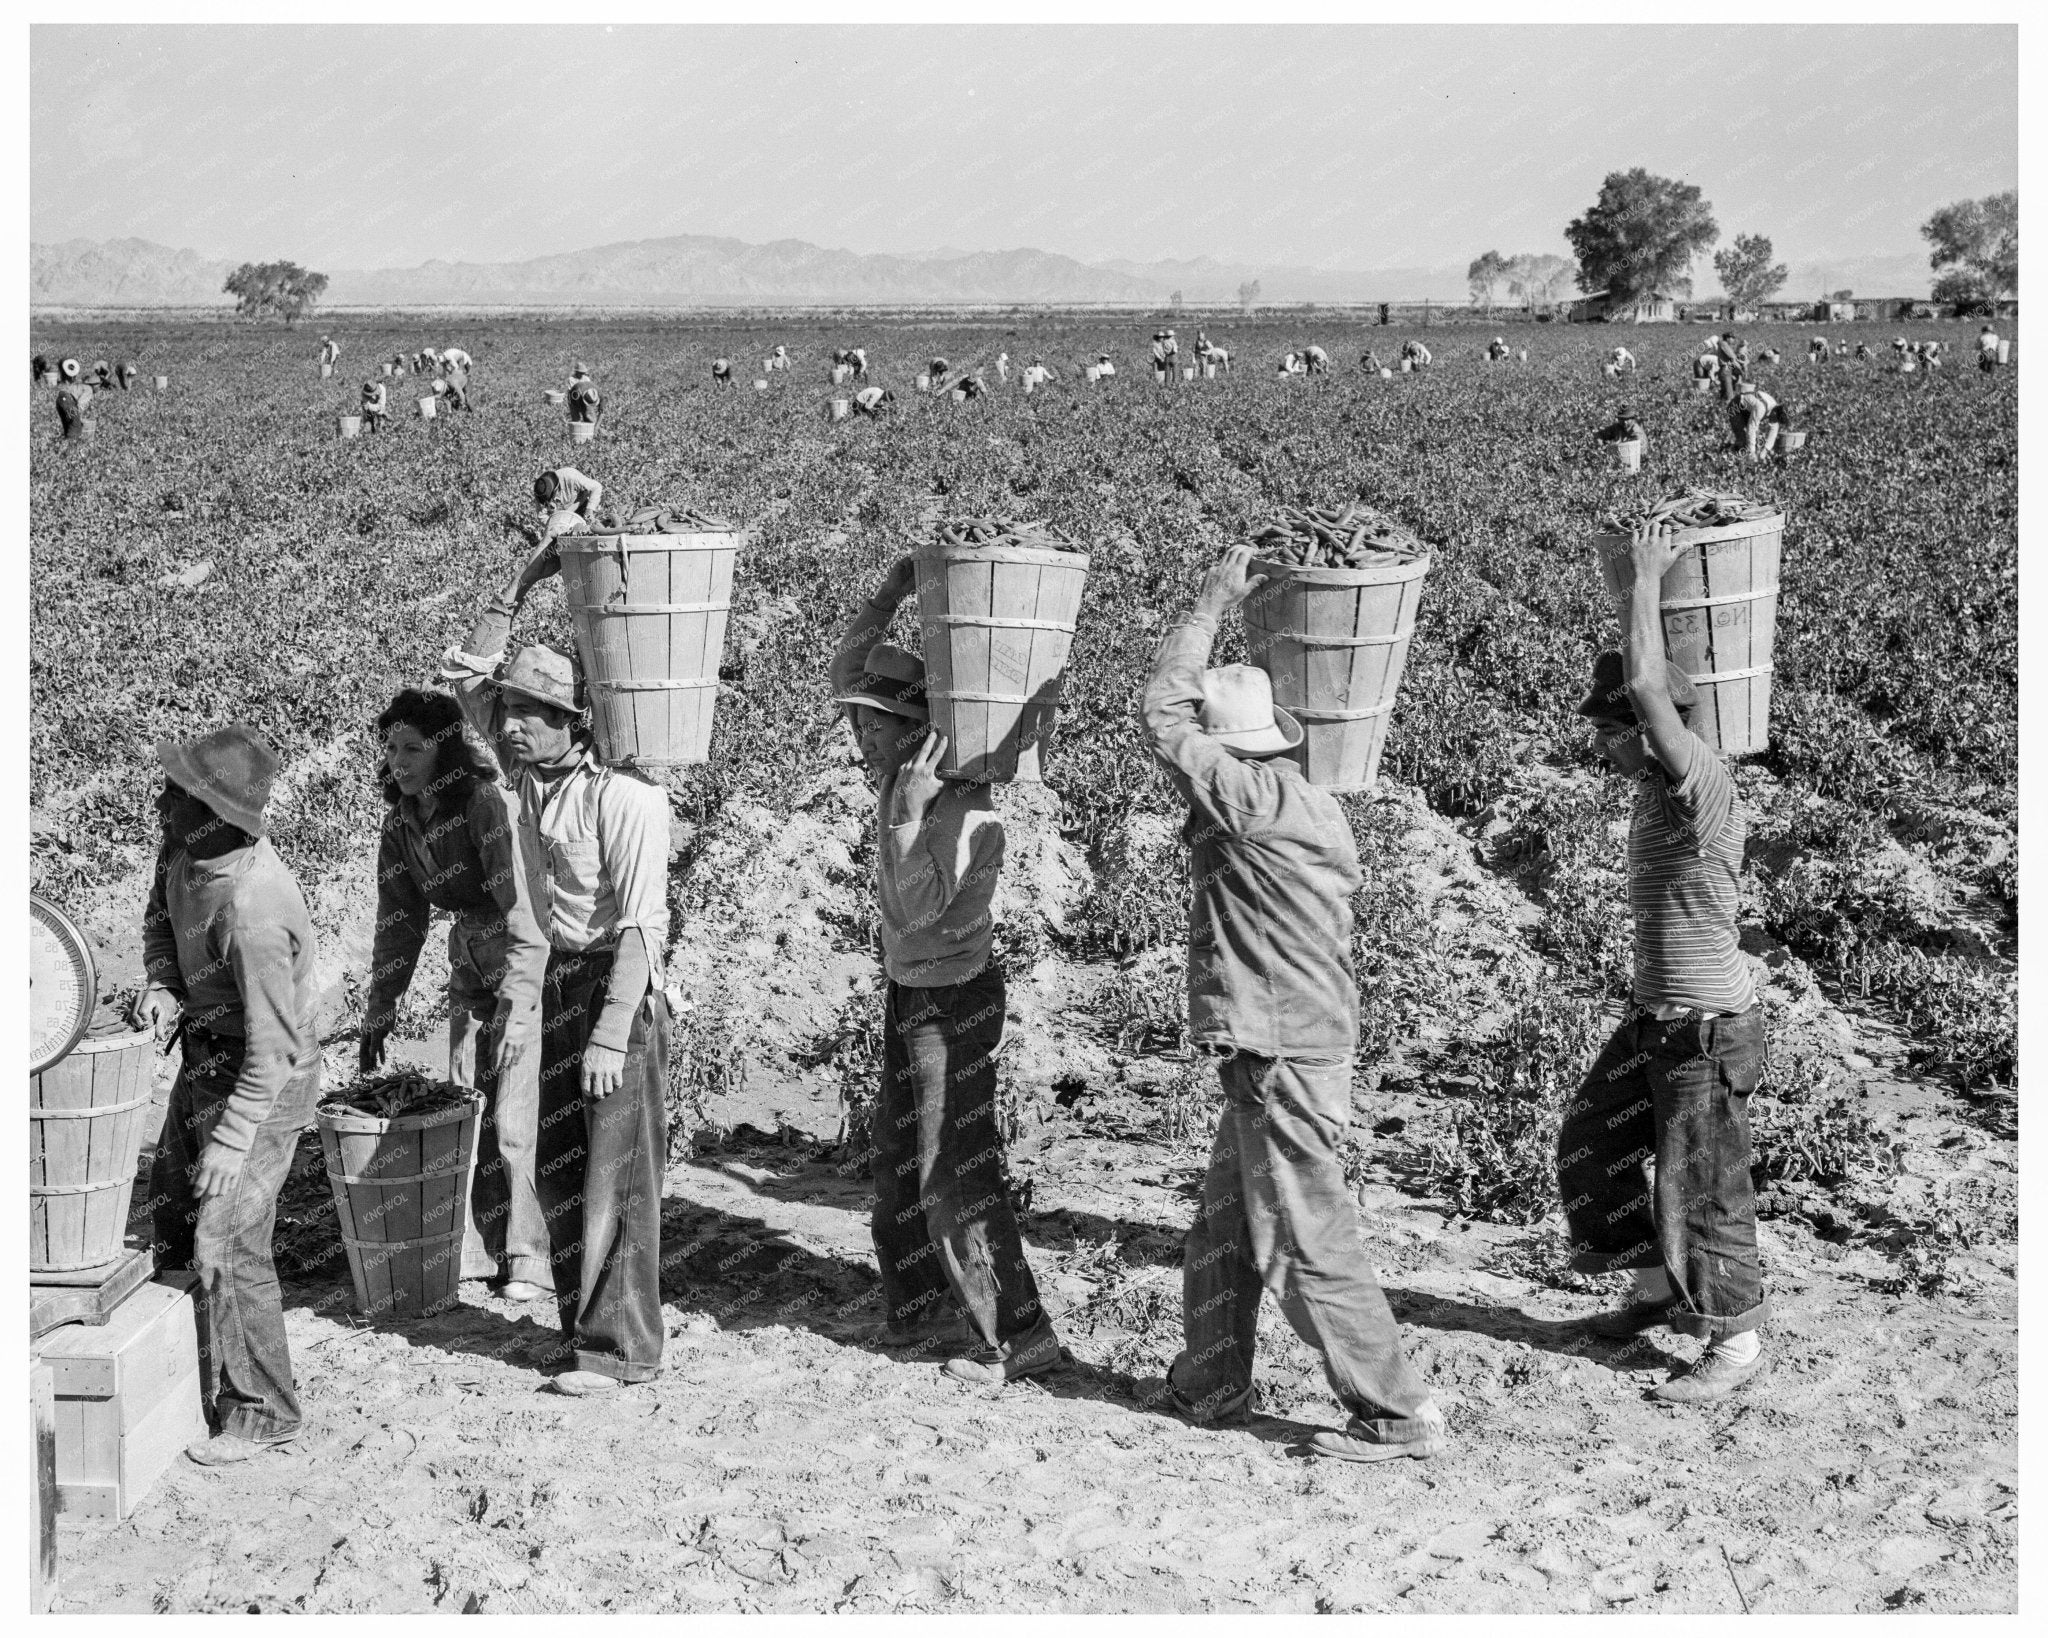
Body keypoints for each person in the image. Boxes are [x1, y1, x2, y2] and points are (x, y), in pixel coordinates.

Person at [1134, 546, 1445, 1463]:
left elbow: (1159, 714)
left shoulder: (1247, 800)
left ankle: (1392, 1412)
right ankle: (1213, 1376)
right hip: (1291, 1039)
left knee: (1308, 1233)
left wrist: (1209, 603)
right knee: (1228, 1220)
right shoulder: (1310, 801)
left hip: (1283, 1049)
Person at [439, 546, 673, 1396]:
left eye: (534, 713)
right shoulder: (529, 780)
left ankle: (623, 1350)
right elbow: (465, 676)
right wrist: (524, 575)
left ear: (575, 721)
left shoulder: (627, 798)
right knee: (565, 1162)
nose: (511, 723)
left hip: (621, 986)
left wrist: (614, 1030)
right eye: (510, 710)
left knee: (619, 1168)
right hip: (563, 978)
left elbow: (646, 926)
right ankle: (582, 1329)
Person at [827, 561, 1059, 1385]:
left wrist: (908, 818)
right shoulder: (905, 783)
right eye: (860, 724)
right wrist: (893, 587)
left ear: (914, 733)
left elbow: (916, 907)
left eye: (874, 726)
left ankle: (1019, 1335)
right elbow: (846, 664)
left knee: (950, 1168)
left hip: (951, 1003)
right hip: (910, 993)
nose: (861, 737)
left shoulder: (963, 811)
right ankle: (921, 1306)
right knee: (896, 1161)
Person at [1559, 522, 1769, 1404]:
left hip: (1707, 1026)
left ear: (1655, 731)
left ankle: (1734, 1340)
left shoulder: (1700, 783)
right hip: (1658, 1015)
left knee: (1703, 1184)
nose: (1602, 745)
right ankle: (1649, 1292)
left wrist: (1645, 576)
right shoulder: (1651, 791)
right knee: (1593, 1143)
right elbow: (1639, 682)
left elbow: (1648, 684)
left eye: (1614, 731)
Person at [134, 725, 321, 1465]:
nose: (161, 802)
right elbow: (157, 920)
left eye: (176, 795)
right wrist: (162, 982)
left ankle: (263, 1410)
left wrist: (235, 1138)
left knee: (230, 1234)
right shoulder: (182, 850)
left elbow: (274, 1051)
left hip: (266, 1080)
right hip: (210, 1055)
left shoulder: (255, 908)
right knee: (172, 1214)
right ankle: (186, 1379)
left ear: (216, 816)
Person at [361, 689, 552, 1301]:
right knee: (468, 1098)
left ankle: (529, 1257)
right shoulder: (402, 820)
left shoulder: (483, 804)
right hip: (469, 959)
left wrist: (519, 1004)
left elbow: (523, 911)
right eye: (390, 748)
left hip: (521, 956)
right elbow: (400, 920)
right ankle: (476, 1248)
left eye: (412, 748)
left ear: (444, 749)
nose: (397, 761)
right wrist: (380, 1008)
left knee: (517, 1110)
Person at [1728, 385, 1788, 458]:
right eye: (1775, 419)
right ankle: (1731, 455)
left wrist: (1765, 450)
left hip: (1748, 410)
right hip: (1735, 407)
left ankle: (1741, 452)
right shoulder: (1761, 408)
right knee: (1742, 440)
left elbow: (1774, 431)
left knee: (1756, 441)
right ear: (1774, 413)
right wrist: (1752, 452)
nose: (1774, 421)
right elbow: (1751, 429)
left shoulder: (1776, 409)